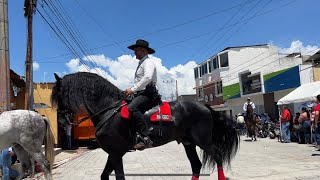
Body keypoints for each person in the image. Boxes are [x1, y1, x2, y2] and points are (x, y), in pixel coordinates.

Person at [125, 39, 160, 149]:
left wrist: (132, 89)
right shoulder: (142, 63)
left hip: (148, 94)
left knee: (132, 108)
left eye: (136, 50)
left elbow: (148, 77)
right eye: (134, 50)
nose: (134, 52)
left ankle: (145, 137)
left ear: (144, 51)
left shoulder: (148, 62)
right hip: (141, 93)